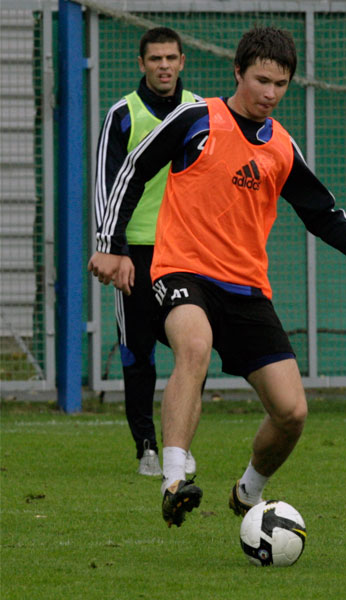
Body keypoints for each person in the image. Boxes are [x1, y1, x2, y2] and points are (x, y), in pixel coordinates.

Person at [88, 26, 346, 528]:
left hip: (246, 288)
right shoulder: (196, 119)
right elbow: (133, 169)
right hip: (182, 270)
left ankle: (247, 492)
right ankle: (173, 480)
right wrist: (110, 244)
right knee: (193, 346)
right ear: (237, 72)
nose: (270, 93)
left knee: (292, 413)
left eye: (281, 84)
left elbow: (323, 214)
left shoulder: (281, 145)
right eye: (262, 80)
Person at [94, 27, 200, 477]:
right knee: (137, 352)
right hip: (134, 252)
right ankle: (147, 447)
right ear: (141, 64)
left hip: (184, 252)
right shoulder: (123, 114)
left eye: (171, 58)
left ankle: (181, 443)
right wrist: (113, 248)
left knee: (193, 347)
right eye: (155, 58)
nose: (164, 66)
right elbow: (106, 184)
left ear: (182, 61)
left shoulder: (199, 111)